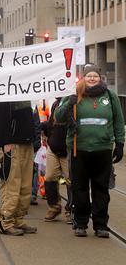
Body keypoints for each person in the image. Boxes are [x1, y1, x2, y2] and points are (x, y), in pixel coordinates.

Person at [55, 65, 124, 238]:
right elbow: (58, 117)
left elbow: (118, 121)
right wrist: (68, 103)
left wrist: (120, 143)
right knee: (80, 188)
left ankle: (101, 225)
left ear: (100, 78)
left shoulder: (110, 96)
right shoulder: (74, 94)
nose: (92, 78)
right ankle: (81, 222)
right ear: (83, 78)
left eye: (95, 76)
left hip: (103, 149)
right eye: (88, 76)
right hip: (80, 150)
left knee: (101, 188)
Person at [0, 101, 36, 236]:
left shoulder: (25, 87)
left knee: (25, 185)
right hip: (12, 143)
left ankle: (18, 219)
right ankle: (6, 221)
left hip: (26, 141)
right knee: (12, 183)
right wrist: (5, 141)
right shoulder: (7, 89)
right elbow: (0, 115)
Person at [42, 97, 71, 223]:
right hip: (53, 147)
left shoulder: (75, 102)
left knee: (71, 179)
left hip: (68, 149)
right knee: (49, 177)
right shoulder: (55, 104)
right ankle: (54, 207)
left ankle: (71, 209)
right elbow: (51, 124)